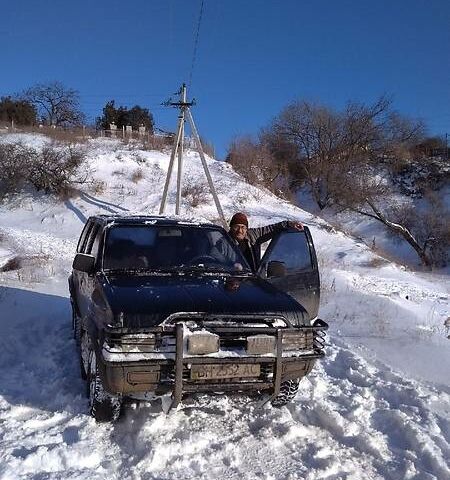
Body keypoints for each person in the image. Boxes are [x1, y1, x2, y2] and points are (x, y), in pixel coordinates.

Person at [215, 212, 304, 271]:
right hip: (233, 282)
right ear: (231, 228)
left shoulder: (253, 235)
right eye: (236, 227)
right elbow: (215, 262)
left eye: (243, 227)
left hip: (254, 281)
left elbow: (271, 229)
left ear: (247, 229)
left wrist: (288, 224)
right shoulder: (223, 242)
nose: (240, 231)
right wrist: (231, 267)